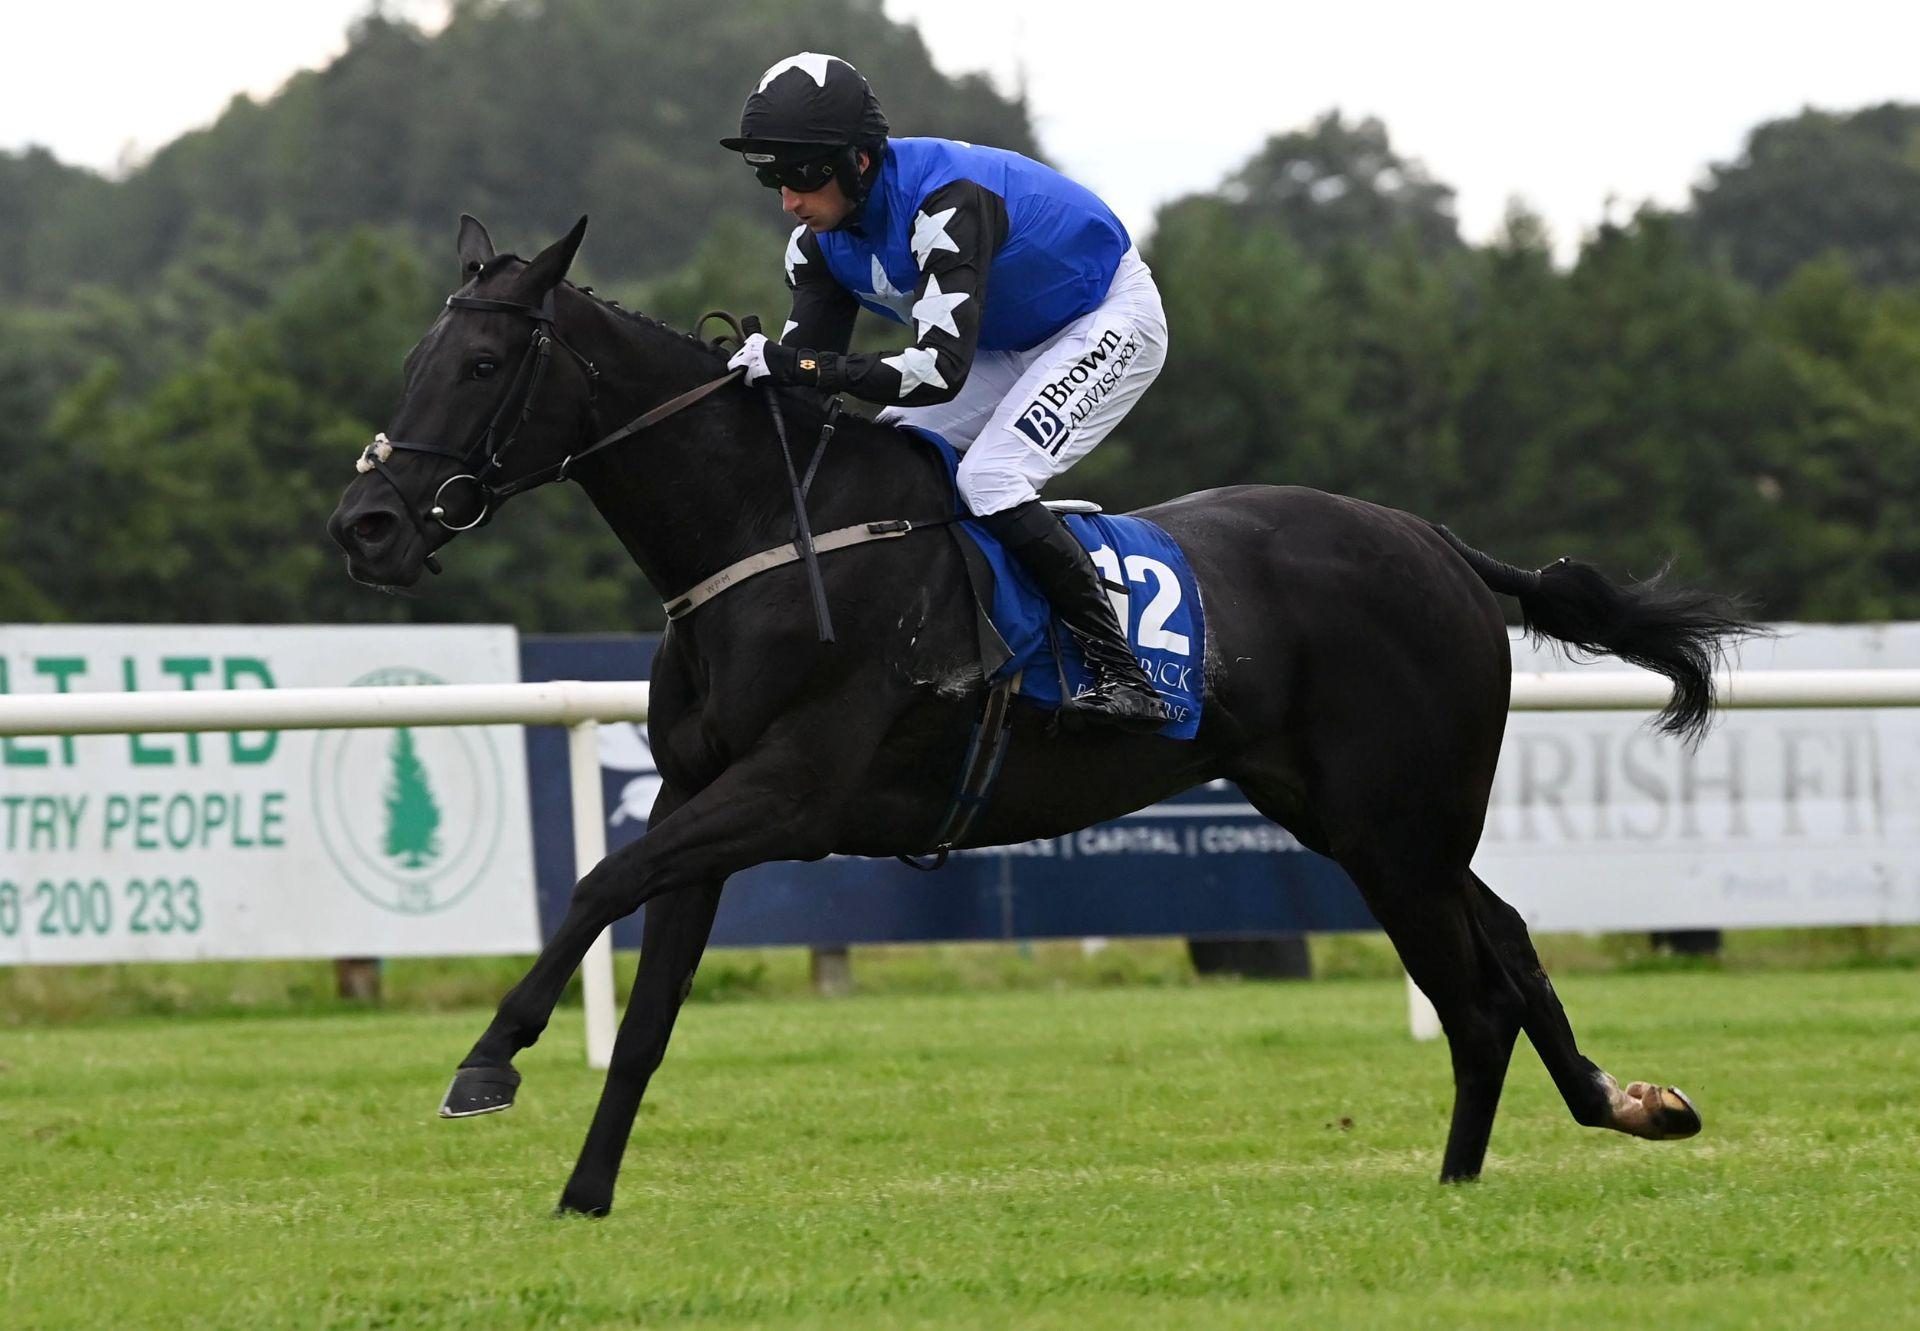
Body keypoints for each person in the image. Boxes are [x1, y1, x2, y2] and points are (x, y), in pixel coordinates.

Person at [721, 51, 1173, 733]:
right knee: (891, 457)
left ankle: (1124, 672)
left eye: (802, 176)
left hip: (1104, 316)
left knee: (992, 477)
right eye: (772, 178)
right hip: (1000, 342)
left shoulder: (947, 203)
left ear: (860, 162)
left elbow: (934, 371)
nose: (789, 200)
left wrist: (797, 369)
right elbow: (803, 398)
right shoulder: (816, 245)